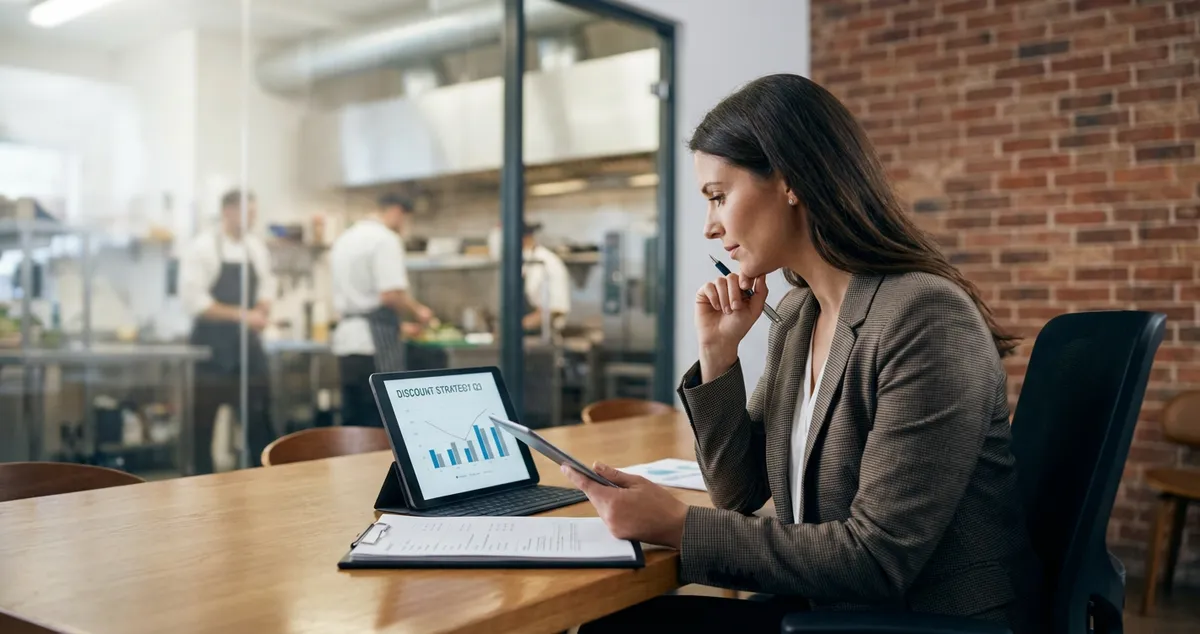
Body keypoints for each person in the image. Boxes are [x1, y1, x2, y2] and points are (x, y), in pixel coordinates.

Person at [561, 75, 1045, 633]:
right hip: (828, 608)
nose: (710, 226)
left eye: (718, 197)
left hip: (914, 620)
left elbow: (877, 558)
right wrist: (719, 353)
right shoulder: (799, 314)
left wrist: (677, 526)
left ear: (789, 181)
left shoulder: (924, 316)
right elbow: (738, 492)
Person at [180, 188, 277, 473]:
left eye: (254, 213)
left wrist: (262, 307)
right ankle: (198, 483)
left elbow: (268, 284)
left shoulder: (255, 248)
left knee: (259, 422)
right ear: (228, 211)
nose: (252, 219)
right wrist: (243, 315)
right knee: (202, 426)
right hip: (212, 349)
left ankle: (267, 481)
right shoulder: (203, 247)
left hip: (247, 347)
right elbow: (195, 301)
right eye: (248, 213)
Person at [330, 193, 434, 427]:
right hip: (373, 348)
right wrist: (419, 311)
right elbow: (391, 294)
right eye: (407, 220)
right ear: (397, 212)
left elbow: (361, 299)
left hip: (347, 343)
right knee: (380, 425)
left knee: (353, 426)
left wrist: (400, 326)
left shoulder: (345, 238)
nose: (405, 226)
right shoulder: (385, 239)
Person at [521, 222, 570, 336]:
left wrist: (519, 325)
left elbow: (557, 311)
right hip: (525, 333)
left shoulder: (550, 263)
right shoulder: (526, 262)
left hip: (545, 336)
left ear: (526, 239)